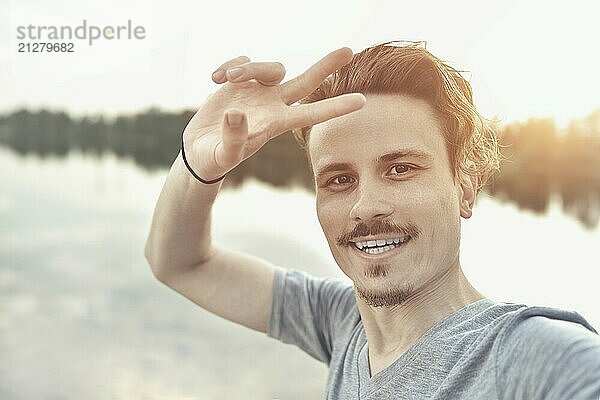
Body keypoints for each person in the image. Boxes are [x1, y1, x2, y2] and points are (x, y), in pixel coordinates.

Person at [144, 41, 600, 399]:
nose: (365, 206)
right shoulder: (344, 324)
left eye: (400, 168)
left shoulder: (526, 353)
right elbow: (179, 263)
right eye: (339, 179)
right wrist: (197, 165)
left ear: (465, 183)